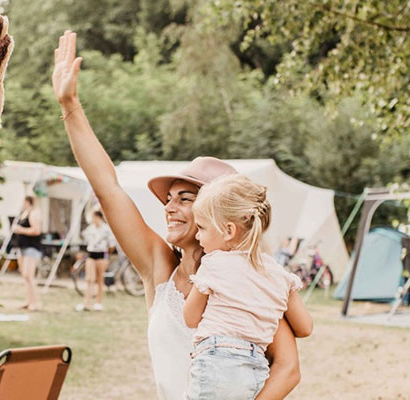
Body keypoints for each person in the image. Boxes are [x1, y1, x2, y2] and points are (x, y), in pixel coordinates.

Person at [53, 30, 302, 399]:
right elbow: (108, 188)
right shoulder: (159, 267)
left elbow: (288, 368)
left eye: (185, 198)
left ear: (220, 217)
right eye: (168, 198)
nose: (169, 207)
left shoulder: (249, 281)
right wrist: (70, 106)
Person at [183, 174, 313, 399]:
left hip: (215, 361)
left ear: (229, 230)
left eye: (202, 228)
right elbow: (305, 327)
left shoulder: (214, 263)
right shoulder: (279, 275)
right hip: (255, 368)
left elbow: (190, 318)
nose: (197, 235)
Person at [77, 210, 114, 311]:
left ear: (98, 217)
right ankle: (86, 303)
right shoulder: (90, 229)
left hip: (101, 255)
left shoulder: (106, 229)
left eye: (93, 217)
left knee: (100, 279)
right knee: (89, 279)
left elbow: (111, 245)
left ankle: (98, 302)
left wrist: (107, 253)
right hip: (91, 255)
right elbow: (85, 240)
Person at [12, 195, 43, 311]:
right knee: (25, 276)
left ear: (29, 202)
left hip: (32, 248)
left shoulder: (35, 213)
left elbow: (36, 230)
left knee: (30, 276)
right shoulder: (25, 213)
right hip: (22, 248)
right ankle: (28, 301)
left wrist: (20, 230)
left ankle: (34, 303)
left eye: (24, 201)